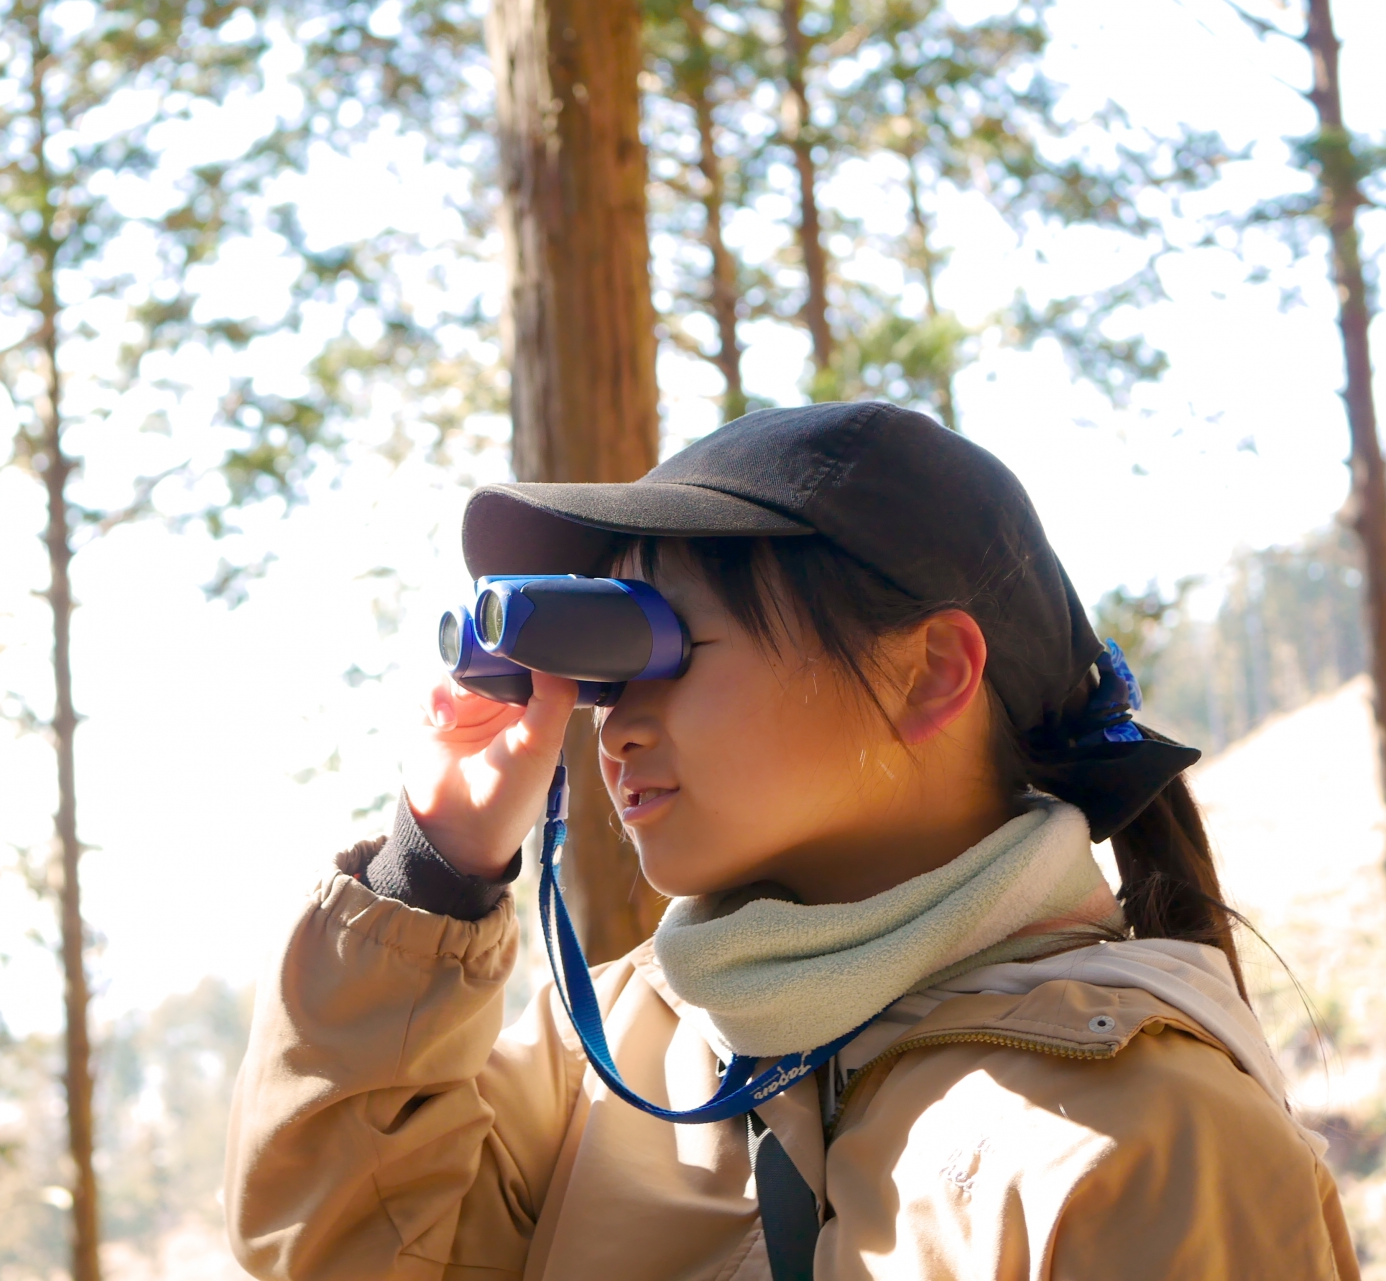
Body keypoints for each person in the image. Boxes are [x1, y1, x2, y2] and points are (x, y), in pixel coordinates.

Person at [223, 402, 1358, 1280]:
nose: (615, 722)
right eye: (609, 674)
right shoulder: (621, 1059)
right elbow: (348, 1250)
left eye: (663, 648)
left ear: (931, 674)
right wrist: (436, 871)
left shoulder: (1143, 1142)